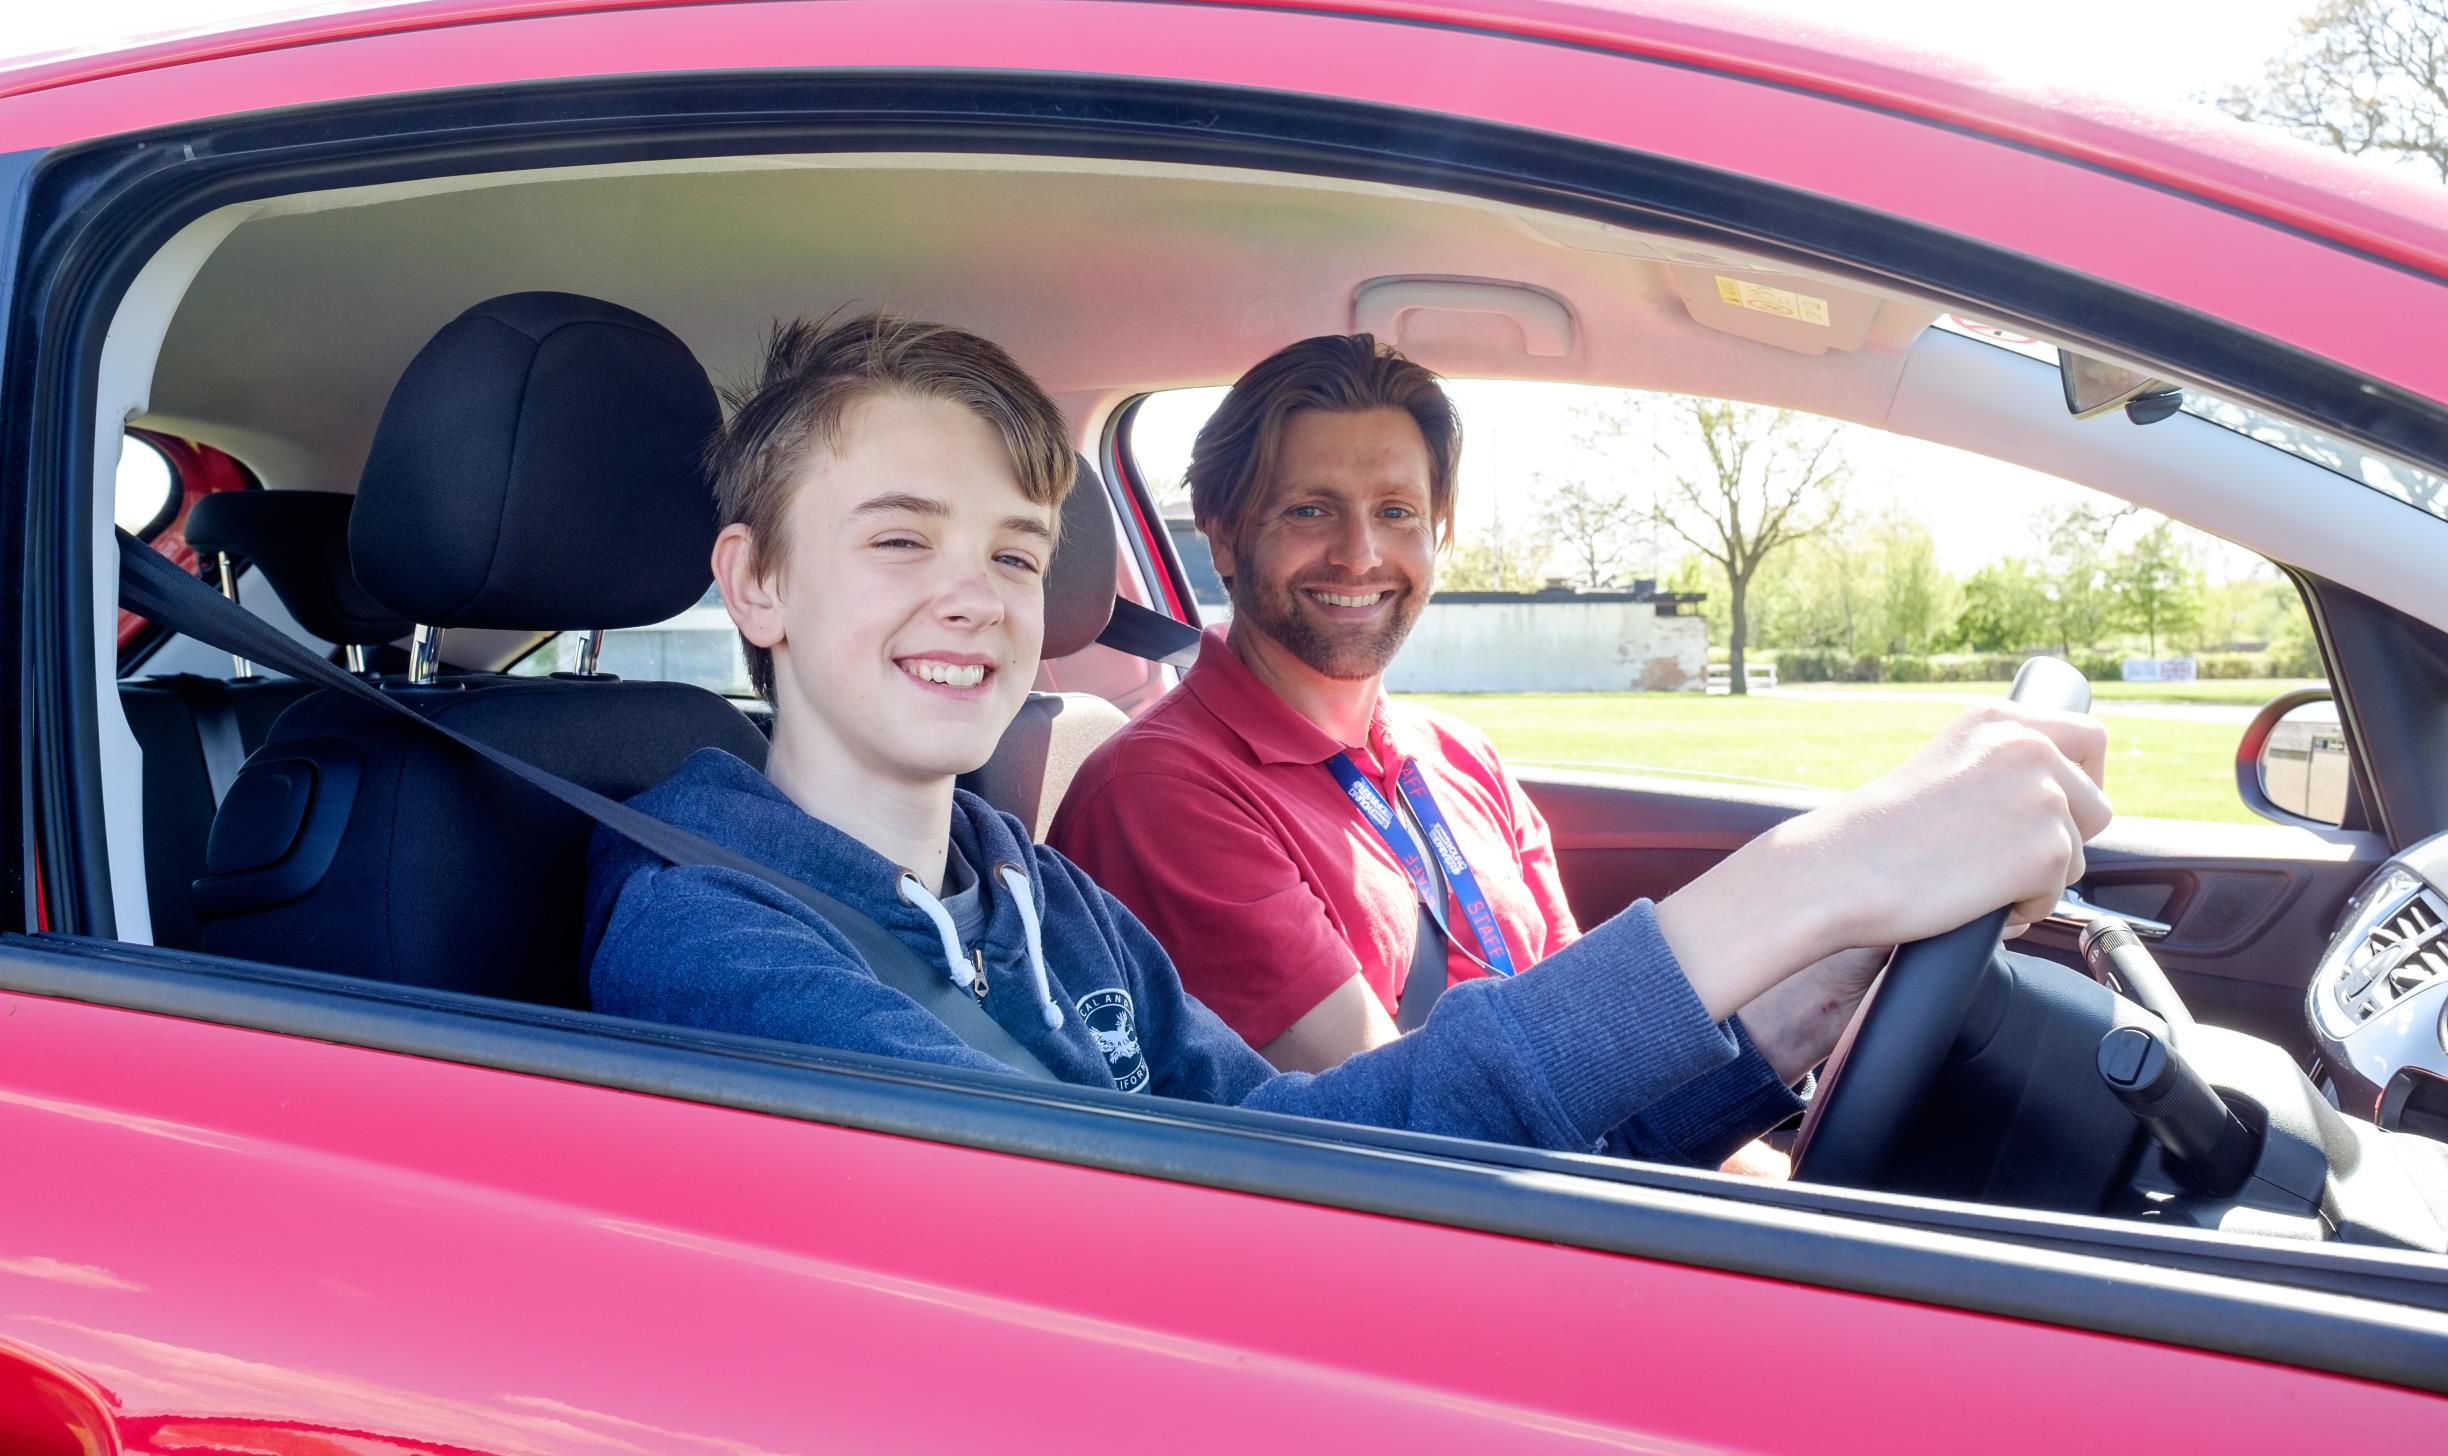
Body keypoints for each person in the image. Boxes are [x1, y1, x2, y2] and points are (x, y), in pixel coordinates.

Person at [585, 312, 2108, 1170]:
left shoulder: (1034, 894)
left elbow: (1295, 1138)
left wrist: (1782, 1027)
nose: (972, 602)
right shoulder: (715, 937)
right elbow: (1229, 1208)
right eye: (899, 541)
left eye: (1009, 553)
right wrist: (1812, 880)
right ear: (759, 584)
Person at [1051, 334, 2076, 1119]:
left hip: (1563, 1193)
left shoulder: (1457, 759)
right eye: (1310, 511)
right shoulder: (1165, 792)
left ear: (1440, 533)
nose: (1360, 554)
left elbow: (1588, 1057)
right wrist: (1833, 875)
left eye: (1398, 513)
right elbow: (1403, 1127)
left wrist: (1848, 959)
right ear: (1225, 535)